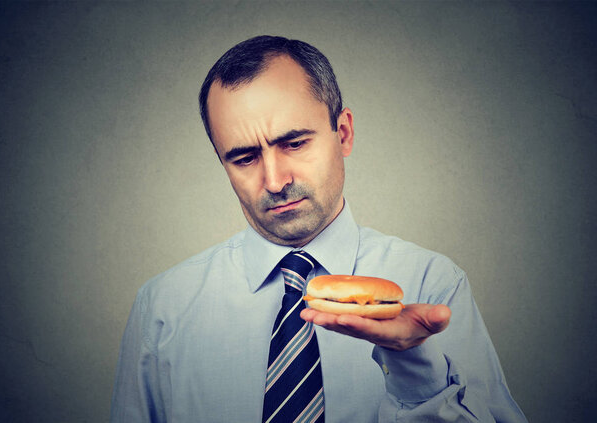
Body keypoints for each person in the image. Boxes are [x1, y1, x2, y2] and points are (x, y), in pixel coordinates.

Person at [111, 35, 527, 422]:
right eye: (244, 158)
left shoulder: (432, 285)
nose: (275, 181)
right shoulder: (162, 309)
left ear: (342, 134)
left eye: (294, 143)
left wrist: (415, 365)